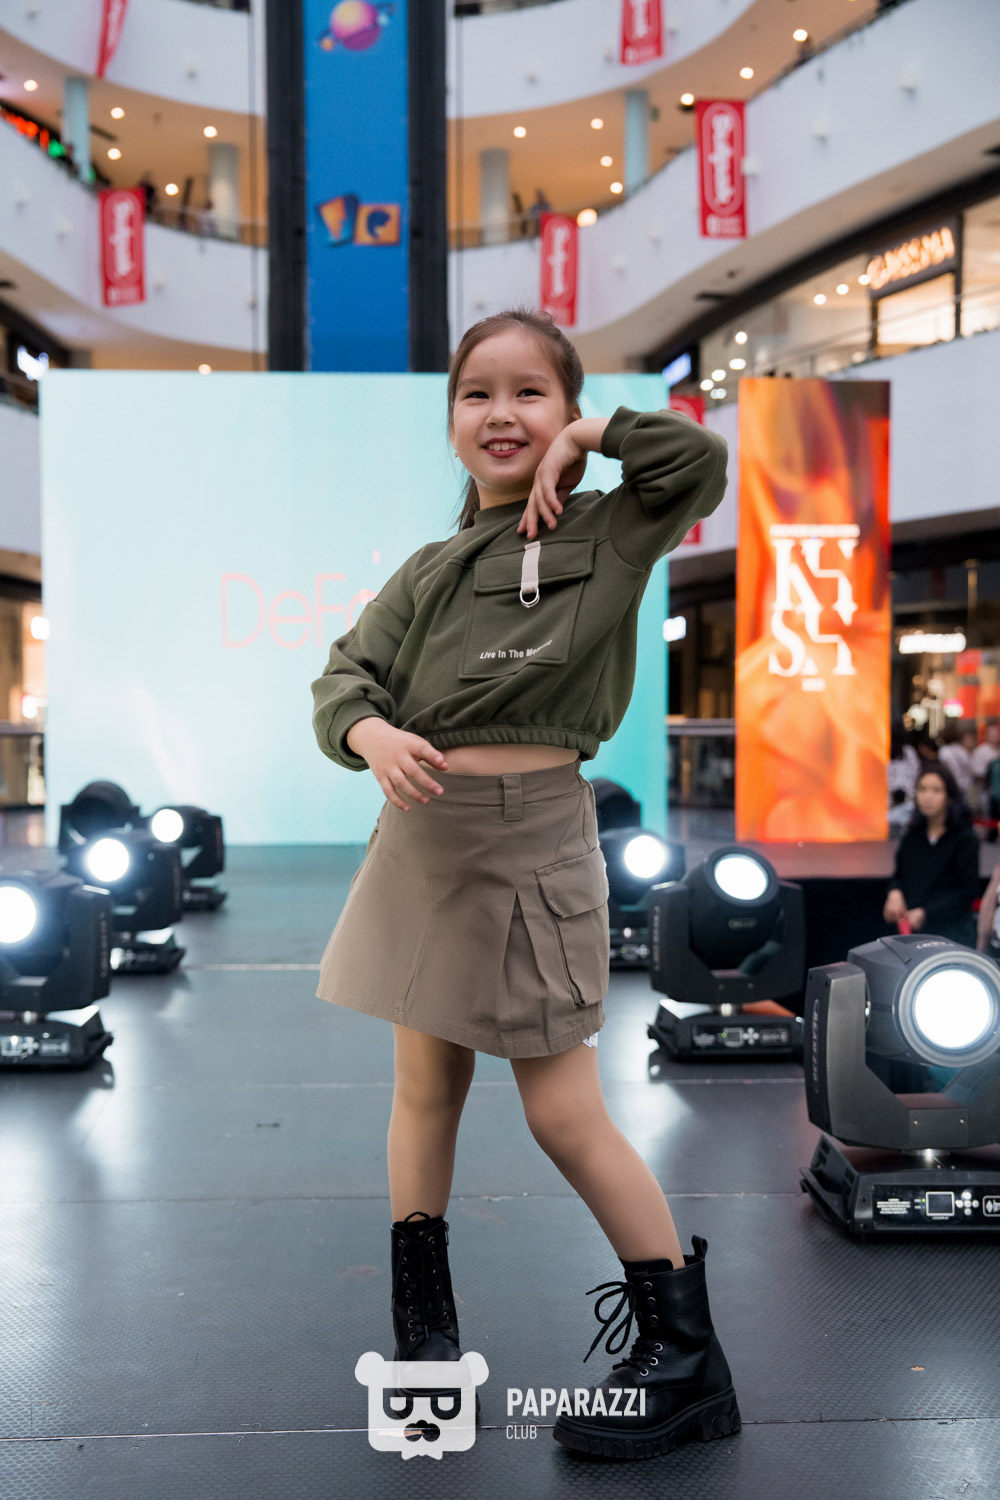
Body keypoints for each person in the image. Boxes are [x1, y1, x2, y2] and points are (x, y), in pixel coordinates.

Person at [310, 307, 736, 1461]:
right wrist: (367, 734)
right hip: (423, 842)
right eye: (476, 393)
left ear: (565, 409)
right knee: (424, 1090)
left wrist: (592, 438)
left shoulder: (613, 526)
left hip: (538, 838)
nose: (500, 413)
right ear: (451, 419)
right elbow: (342, 677)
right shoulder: (430, 567)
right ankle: (424, 1339)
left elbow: (698, 460)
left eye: (529, 393)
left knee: (561, 1111)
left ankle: (687, 1360)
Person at [883, 761, 980, 947]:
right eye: (922, 789)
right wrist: (894, 892)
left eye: (936, 790)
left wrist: (926, 913)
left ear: (949, 796)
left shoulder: (964, 839)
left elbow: (967, 892)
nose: (927, 796)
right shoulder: (912, 836)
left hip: (951, 936)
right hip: (911, 937)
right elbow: (899, 876)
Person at [887, 724, 919, 835]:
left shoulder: (882, 750)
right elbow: (915, 772)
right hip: (907, 797)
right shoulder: (909, 752)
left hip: (889, 799)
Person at [937, 725, 977, 800]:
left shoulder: (943, 750)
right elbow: (971, 766)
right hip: (966, 784)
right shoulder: (961, 749)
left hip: (952, 785)